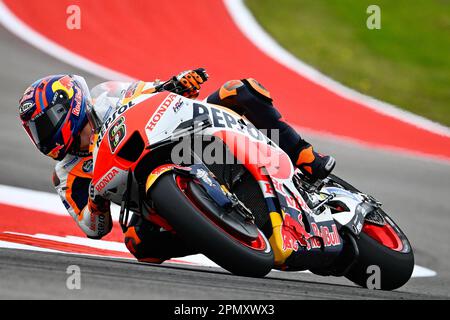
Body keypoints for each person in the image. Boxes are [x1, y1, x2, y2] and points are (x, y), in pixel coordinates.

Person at [18, 70, 335, 264]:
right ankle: (221, 233)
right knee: (139, 245)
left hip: (180, 141)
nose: (42, 135)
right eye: (35, 130)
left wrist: (179, 83)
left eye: (44, 123)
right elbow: (92, 229)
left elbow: (151, 91)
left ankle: (305, 156)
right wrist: (97, 202)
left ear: (69, 106)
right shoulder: (65, 175)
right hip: (145, 197)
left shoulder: (106, 99)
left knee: (237, 91)